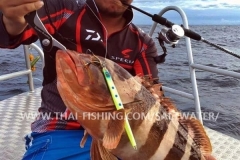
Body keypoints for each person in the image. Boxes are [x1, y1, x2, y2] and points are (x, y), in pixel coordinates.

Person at [0, 0, 161, 159]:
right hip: (60, 128)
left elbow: (153, 99)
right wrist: (12, 21)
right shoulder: (63, 9)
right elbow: (13, 33)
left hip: (122, 138)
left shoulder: (143, 44)